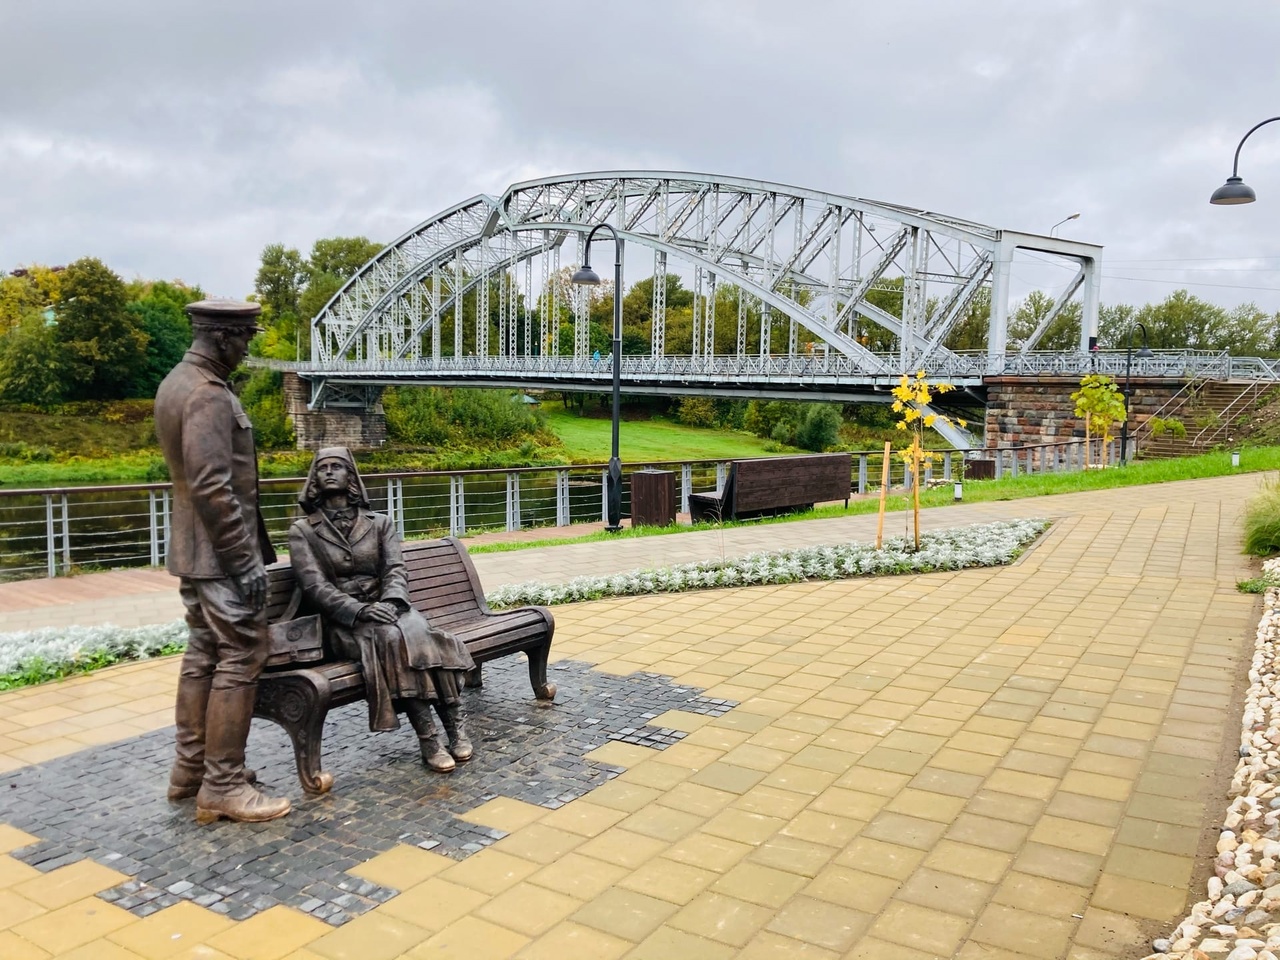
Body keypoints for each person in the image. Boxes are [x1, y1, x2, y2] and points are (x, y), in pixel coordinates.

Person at [154, 298, 291, 824]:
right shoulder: (208, 395)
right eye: (244, 340)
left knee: (203, 654)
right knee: (242, 655)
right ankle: (224, 784)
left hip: (193, 549)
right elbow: (214, 486)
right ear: (220, 337)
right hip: (219, 556)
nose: (247, 348)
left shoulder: (176, 383)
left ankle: (191, 771)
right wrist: (244, 561)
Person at [288, 447, 475, 772]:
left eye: (338, 467)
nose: (330, 472)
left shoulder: (380, 523)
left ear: (351, 477)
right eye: (323, 468)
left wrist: (390, 602)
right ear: (314, 480)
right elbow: (314, 587)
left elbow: (395, 569)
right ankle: (428, 737)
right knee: (393, 638)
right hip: (344, 624)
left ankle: (455, 726)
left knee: (418, 631)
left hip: (391, 608)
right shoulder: (302, 531)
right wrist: (359, 611)